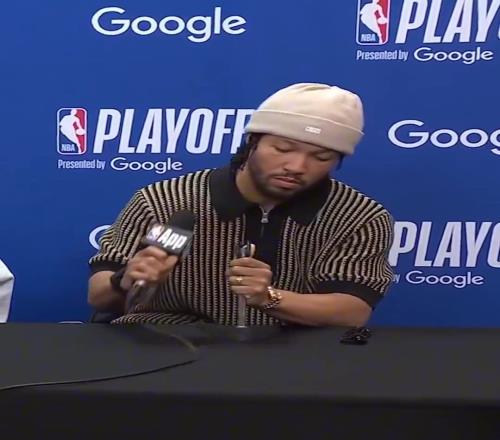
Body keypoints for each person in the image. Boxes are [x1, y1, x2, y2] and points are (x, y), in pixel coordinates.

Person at [88, 83, 394, 326]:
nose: (297, 166)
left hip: (291, 356)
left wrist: (268, 297)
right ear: (252, 142)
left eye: (321, 157)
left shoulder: (359, 217)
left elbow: (352, 312)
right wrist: (126, 279)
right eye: (283, 148)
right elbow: (98, 296)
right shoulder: (165, 200)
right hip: (169, 342)